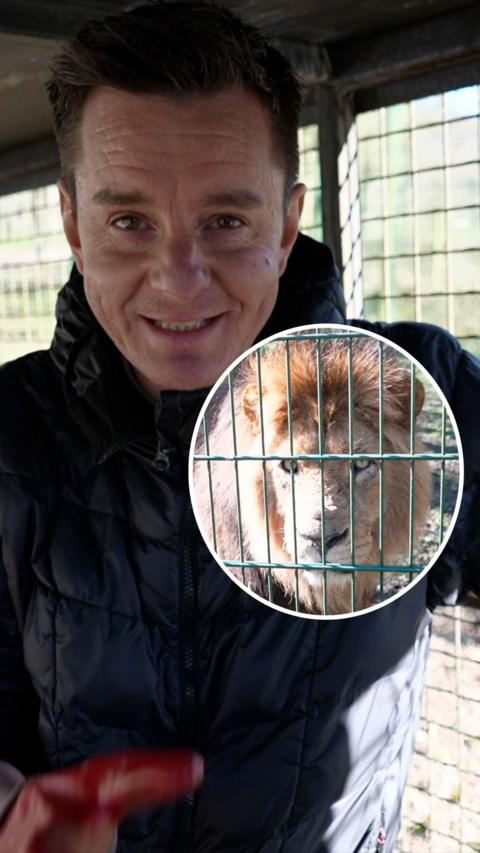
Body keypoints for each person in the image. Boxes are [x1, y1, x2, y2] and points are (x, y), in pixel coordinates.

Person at [0, 2, 478, 851]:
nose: (180, 279)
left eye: (226, 221)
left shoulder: (423, 392)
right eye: (128, 221)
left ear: (287, 226)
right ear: (73, 225)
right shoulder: (9, 435)